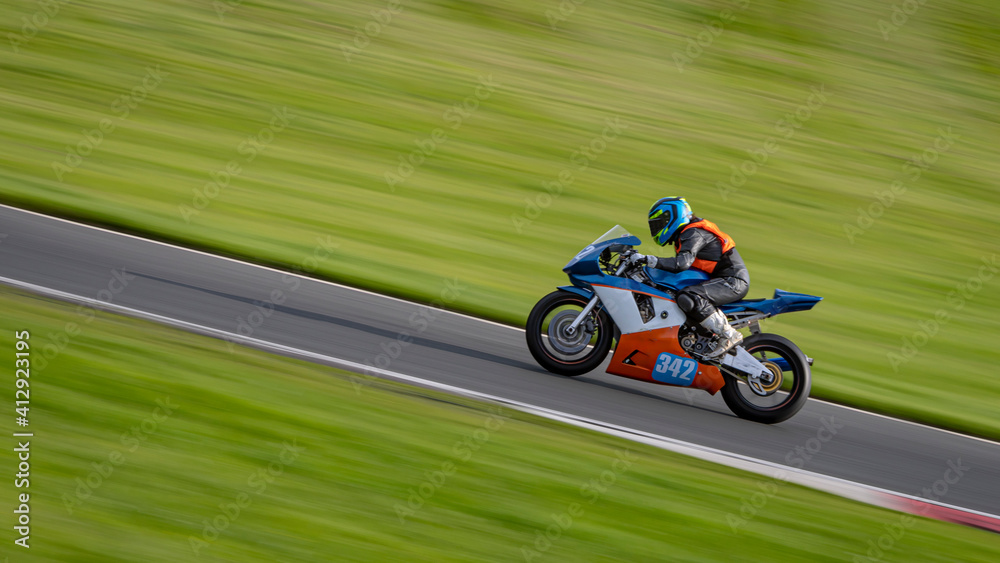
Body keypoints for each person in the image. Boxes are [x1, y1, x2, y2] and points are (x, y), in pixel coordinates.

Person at [626, 197, 749, 358]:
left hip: (732, 282)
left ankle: (727, 334)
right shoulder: (686, 235)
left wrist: (648, 260)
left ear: (672, 217)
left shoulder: (694, 232)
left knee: (689, 296)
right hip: (720, 280)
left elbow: (681, 264)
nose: (657, 228)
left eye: (659, 223)